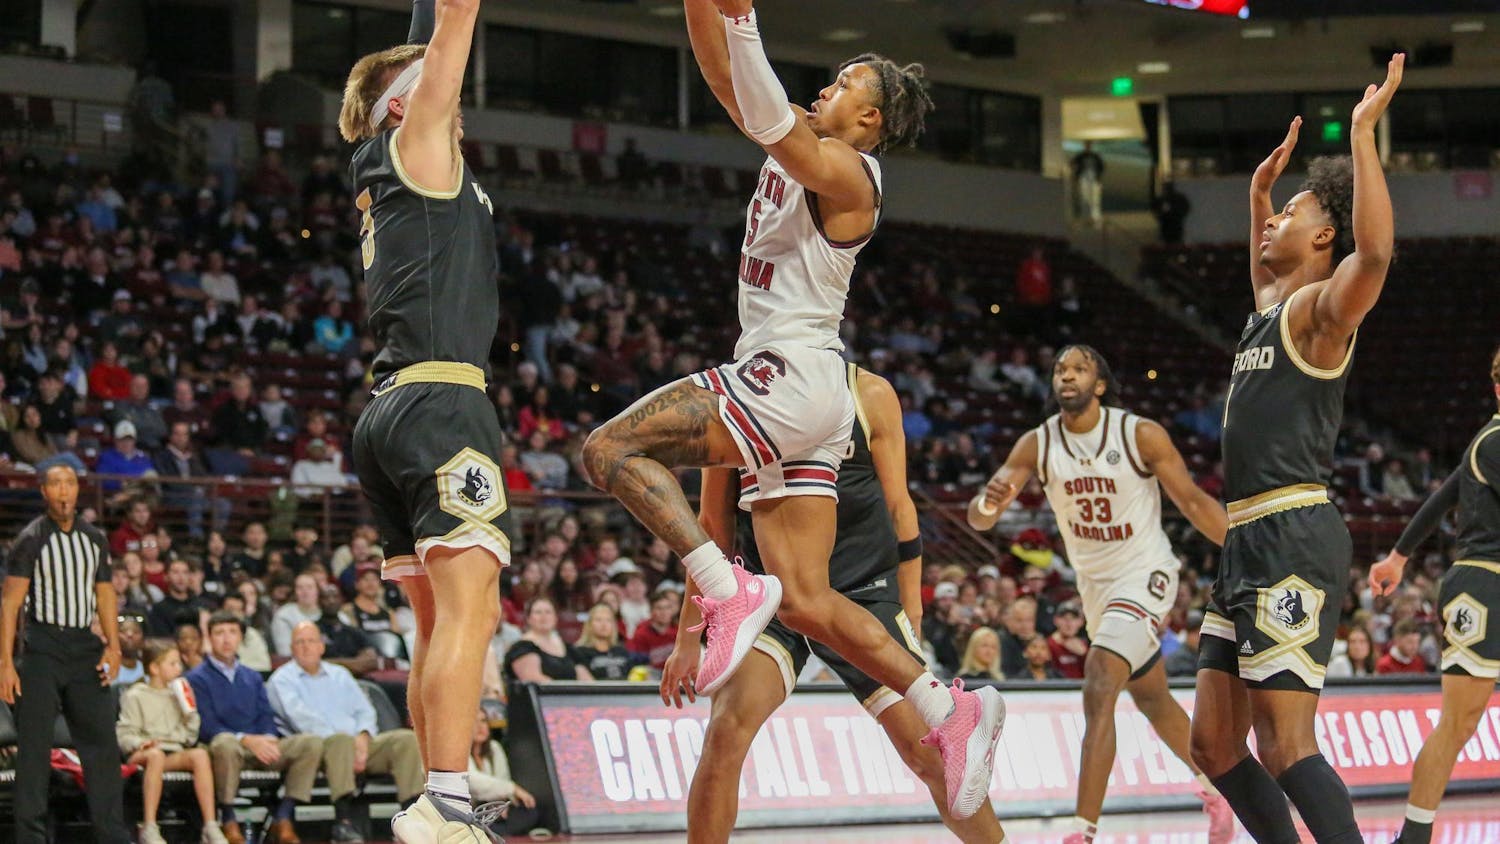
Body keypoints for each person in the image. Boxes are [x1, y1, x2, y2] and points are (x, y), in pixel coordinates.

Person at [584, 2, 1001, 819]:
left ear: (869, 117)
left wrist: (745, 22)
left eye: (845, 82)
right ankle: (949, 709)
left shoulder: (852, 173)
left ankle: (723, 587)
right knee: (805, 600)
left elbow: (767, 109)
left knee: (607, 451)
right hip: (804, 404)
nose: (828, 85)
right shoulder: (799, 146)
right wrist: (710, 12)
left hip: (793, 375)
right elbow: (724, 78)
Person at [1191, 56, 1404, 844]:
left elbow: (1374, 255)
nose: (1274, 222)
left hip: (1291, 532)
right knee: (1213, 744)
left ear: (1324, 234)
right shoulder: (1269, 312)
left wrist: (1361, 136)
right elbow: (1261, 270)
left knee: (1284, 744)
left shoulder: (1322, 310)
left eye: (1290, 212)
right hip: (1243, 537)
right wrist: (1254, 198)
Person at [662, 364, 1005, 843]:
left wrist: (912, 609)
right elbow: (711, 525)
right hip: (772, 599)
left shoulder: (868, 392)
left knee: (930, 756)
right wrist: (687, 639)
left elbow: (900, 507)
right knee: (724, 734)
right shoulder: (735, 395)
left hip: (859, 592)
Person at [339, 1, 516, 835]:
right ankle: (442, 797)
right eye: (431, 84)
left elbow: (423, 32)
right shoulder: (418, 144)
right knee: (472, 609)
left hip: (390, 410)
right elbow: (450, 24)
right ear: (404, 105)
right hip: (443, 403)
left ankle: (442, 779)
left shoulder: (394, 161)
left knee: (439, 618)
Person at [969, 344, 1233, 844]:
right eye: (1059, 370)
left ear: (1101, 383)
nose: (1066, 377)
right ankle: (1219, 789)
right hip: (1094, 587)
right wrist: (989, 502)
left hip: (1145, 572)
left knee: (1099, 680)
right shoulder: (1037, 443)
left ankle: (1081, 831)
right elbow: (980, 515)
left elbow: (1195, 501)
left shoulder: (1138, 434)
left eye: (1079, 369)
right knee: (1153, 698)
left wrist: (1246, 551)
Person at [1369, 350, 1500, 843]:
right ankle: (1414, 836)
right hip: (1484, 587)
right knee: (1459, 722)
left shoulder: (1481, 445)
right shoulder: (1494, 440)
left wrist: (1398, 557)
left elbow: (1442, 497)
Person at [0, 465, 131, 844]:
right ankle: (31, 837)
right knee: (34, 749)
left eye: (69, 483)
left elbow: (105, 593)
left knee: (103, 745)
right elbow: (10, 604)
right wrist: (6, 664)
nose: (63, 490)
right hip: (41, 647)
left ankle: (111, 834)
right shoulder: (31, 538)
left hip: (83, 646)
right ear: (43, 491)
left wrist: (113, 644)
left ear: (77, 490)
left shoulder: (94, 539)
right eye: (55, 483)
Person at [269, 621, 425, 843]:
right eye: (299, 642)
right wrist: (351, 744)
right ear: (291, 649)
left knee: (405, 740)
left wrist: (363, 736)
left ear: (321, 646)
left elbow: (365, 710)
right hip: (316, 750)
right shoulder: (282, 679)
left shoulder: (340, 674)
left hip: (357, 746)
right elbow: (301, 719)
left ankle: (410, 818)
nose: (306, 647)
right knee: (339, 741)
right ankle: (344, 822)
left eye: (311, 641)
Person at [188, 610, 324, 844]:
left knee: (310, 743)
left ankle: (283, 816)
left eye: (232, 632)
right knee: (225, 743)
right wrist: (246, 739)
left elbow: (266, 715)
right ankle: (228, 819)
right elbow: (206, 725)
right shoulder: (196, 678)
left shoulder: (252, 676)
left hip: (260, 745)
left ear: (241, 637)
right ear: (209, 638)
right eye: (219, 633)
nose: (226, 639)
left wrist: (268, 738)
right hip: (226, 746)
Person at [116, 640, 231, 844]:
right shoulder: (136, 695)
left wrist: (189, 710)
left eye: (179, 664)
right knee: (156, 755)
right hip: (143, 753)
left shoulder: (177, 694)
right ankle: (149, 826)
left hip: (171, 752)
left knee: (200, 755)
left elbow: (189, 736)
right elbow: (124, 734)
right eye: (173, 664)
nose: (179, 669)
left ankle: (210, 825)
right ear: (154, 668)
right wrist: (141, 743)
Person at [466, 709, 541, 836]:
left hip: (491, 809)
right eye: (474, 722)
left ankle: (489, 831)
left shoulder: (494, 747)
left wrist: (499, 804)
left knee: (530, 812)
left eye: (483, 721)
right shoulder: (460, 750)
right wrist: (512, 789)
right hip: (469, 809)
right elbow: (473, 783)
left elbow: (502, 779)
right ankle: (488, 831)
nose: (480, 727)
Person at [504, 596, 592, 683]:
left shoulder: (569, 649)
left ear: (555, 618)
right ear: (528, 619)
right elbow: (533, 679)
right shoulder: (522, 648)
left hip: (571, 696)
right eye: (538, 612)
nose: (544, 616)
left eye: (548, 612)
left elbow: (587, 681)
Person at [571, 602, 632, 680]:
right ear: (589, 625)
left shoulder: (622, 651)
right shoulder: (579, 652)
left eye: (608, 620)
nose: (604, 624)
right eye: (598, 620)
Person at [271, 572, 323, 655]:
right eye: (300, 588)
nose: (305, 592)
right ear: (295, 592)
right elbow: (285, 652)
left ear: (318, 590)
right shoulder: (283, 615)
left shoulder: (331, 614)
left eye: (310, 587)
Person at [1071, 141, 1105, 225]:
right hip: (1084, 178)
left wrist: (1098, 176)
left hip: (1093, 178)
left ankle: (1095, 217)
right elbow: (1072, 163)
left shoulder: (1095, 156)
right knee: (1084, 197)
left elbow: (1101, 166)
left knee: (1095, 198)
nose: (1088, 147)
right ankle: (1085, 217)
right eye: (1087, 145)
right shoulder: (1082, 156)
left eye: (1089, 145)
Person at [114, 616, 148, 685]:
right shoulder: (105, 668)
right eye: (123, 631)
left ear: (143, 640)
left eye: (136, 632)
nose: (130, 635)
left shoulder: (147, 670)